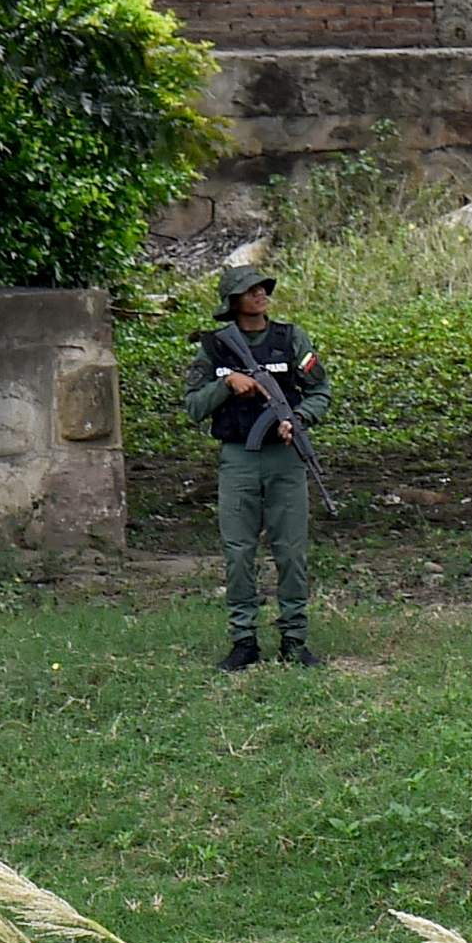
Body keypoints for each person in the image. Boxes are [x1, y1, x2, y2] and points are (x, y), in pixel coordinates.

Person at [187, 263, 328, 668]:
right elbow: (194, 405)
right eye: (250, 290)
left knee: (291, 551)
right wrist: (226, 383)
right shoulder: (215, 348)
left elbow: (319, 390)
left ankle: (294, 639)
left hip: (285, 459)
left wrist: (297, 420)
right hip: (239, 459)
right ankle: (244, 640)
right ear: (233, 302)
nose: (260, 294)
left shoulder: (290, 339)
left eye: (263, 288)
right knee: (238, 552)